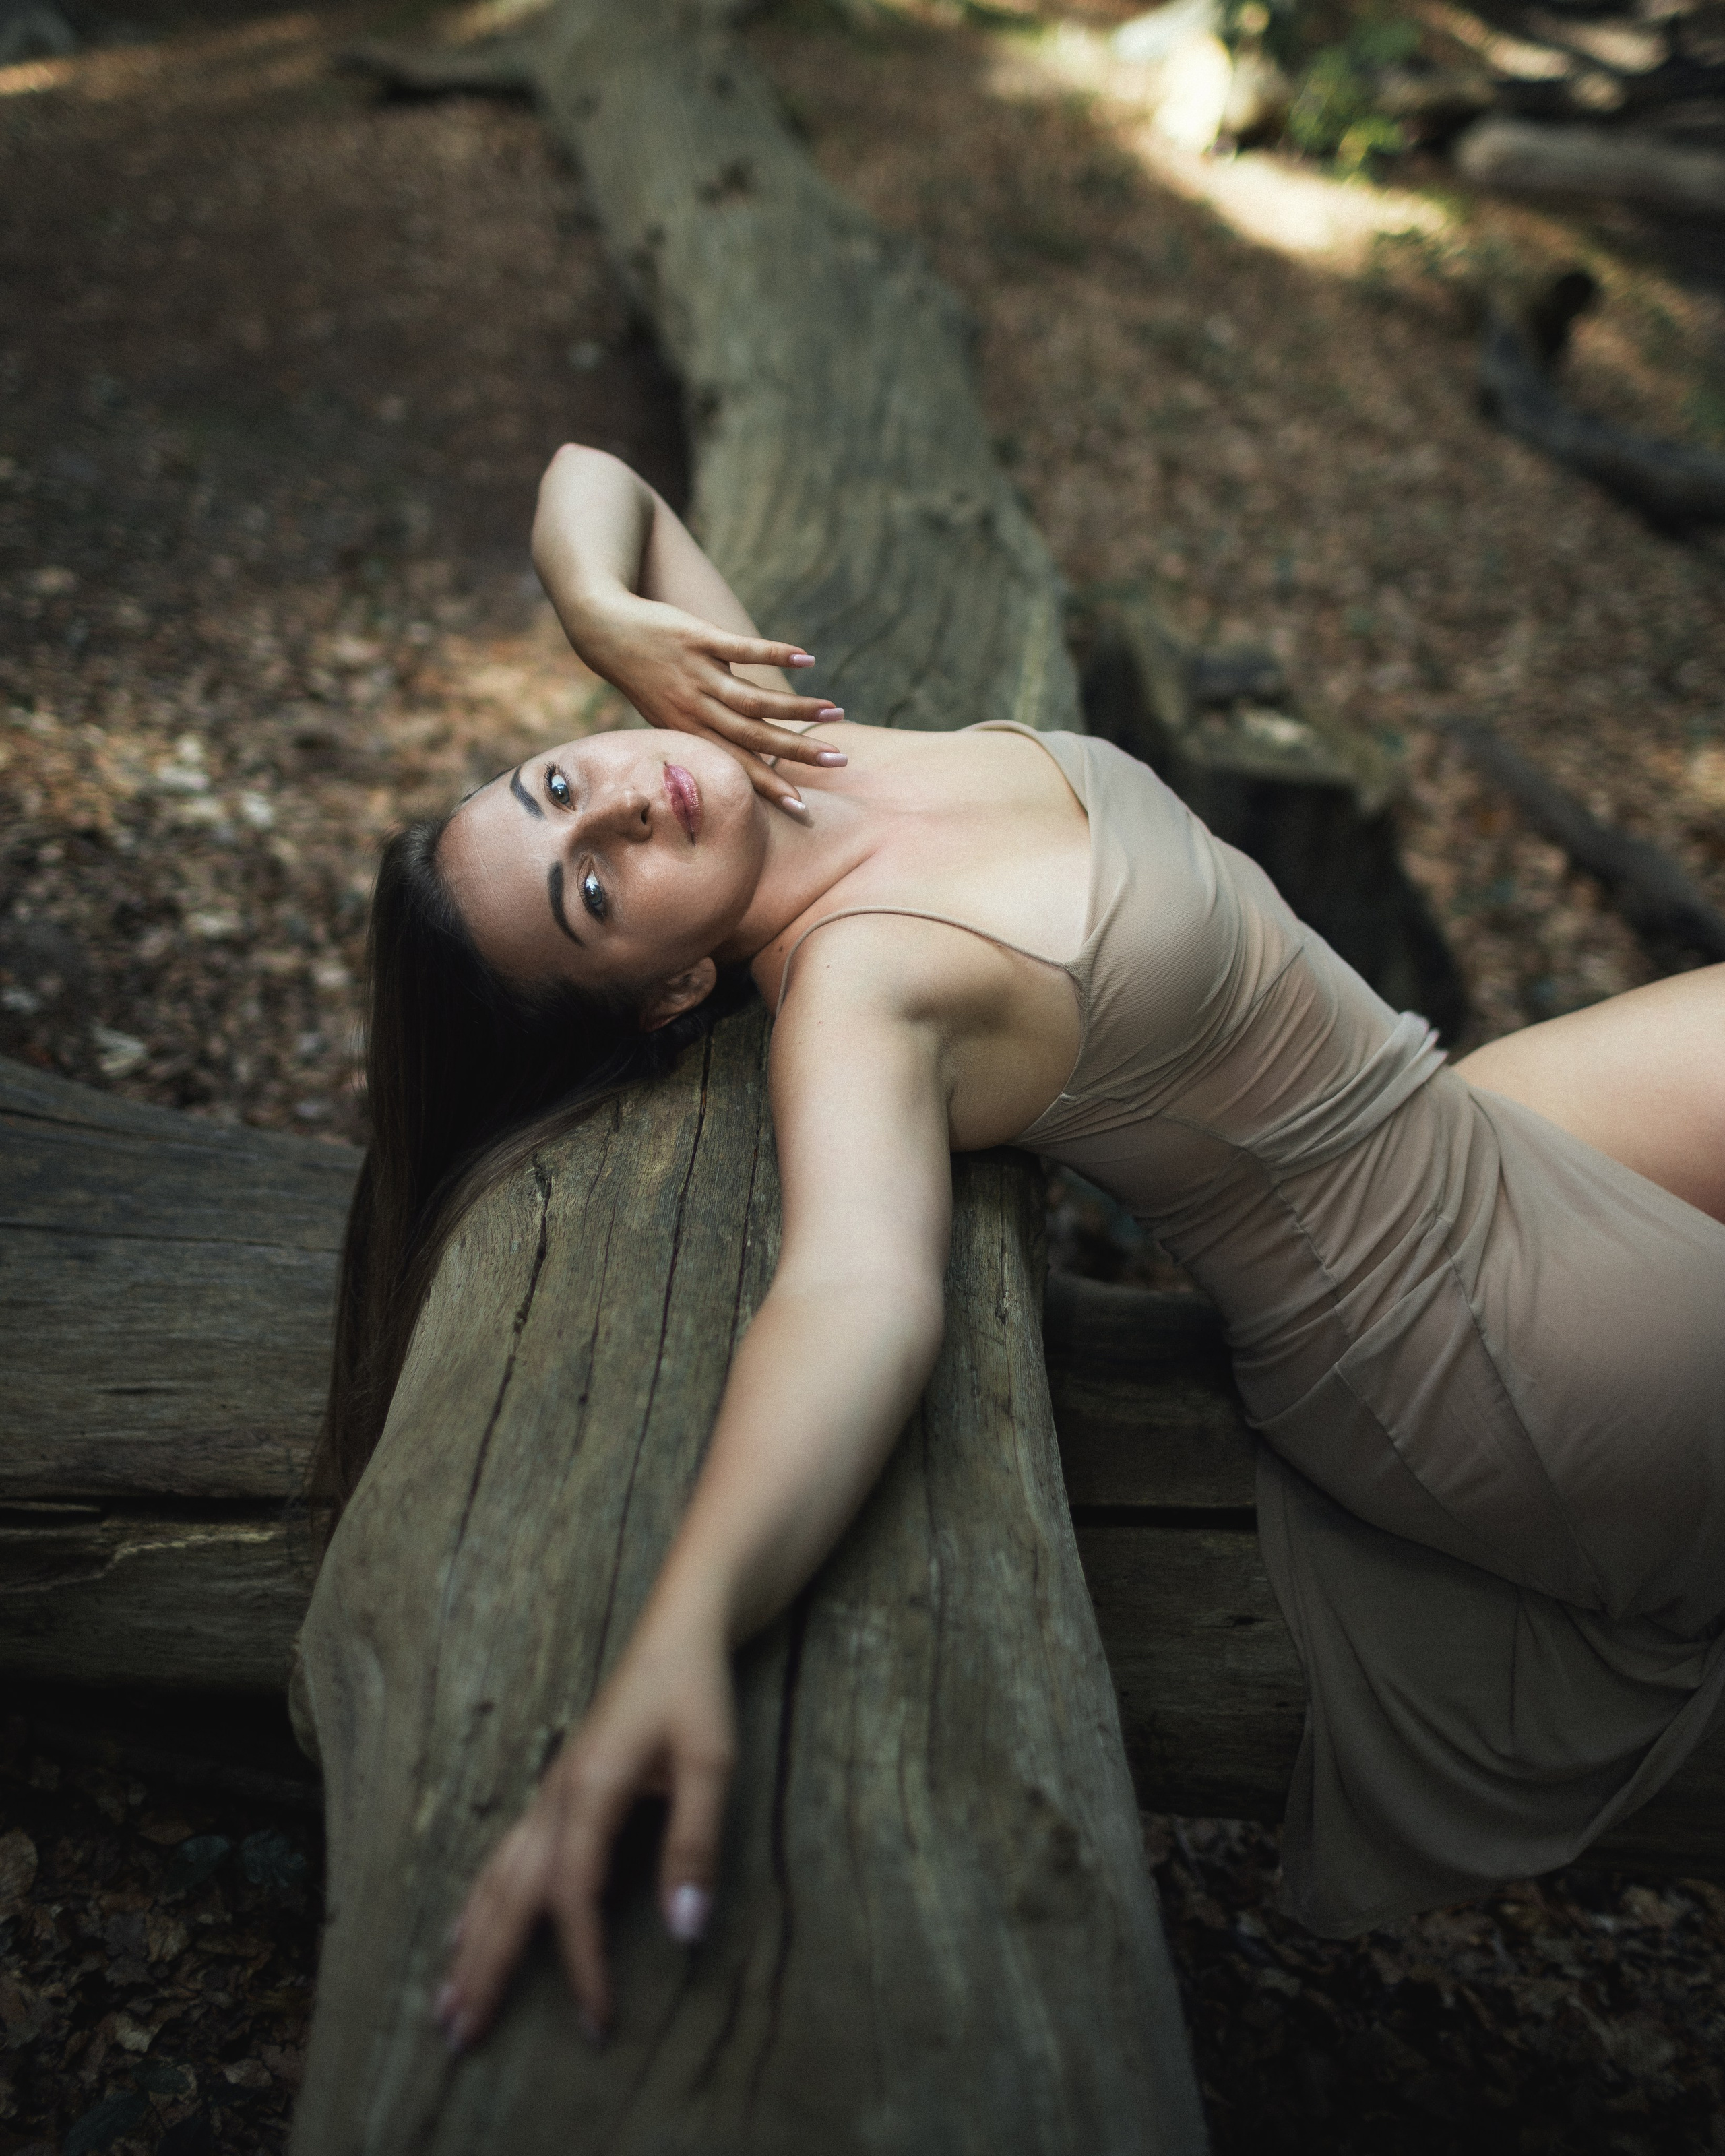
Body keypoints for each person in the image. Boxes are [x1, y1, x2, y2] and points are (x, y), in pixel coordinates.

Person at [313, 445, 1725, 2061]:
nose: (625, 806)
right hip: (1447, 1325)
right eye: (591, 889)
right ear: (669, 992)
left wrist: (593, 605)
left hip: (1460, 1124)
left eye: (555, 784)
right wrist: (681, 1630)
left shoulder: (759, 743)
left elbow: (595, 475)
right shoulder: (860, 991)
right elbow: (852, 1297)